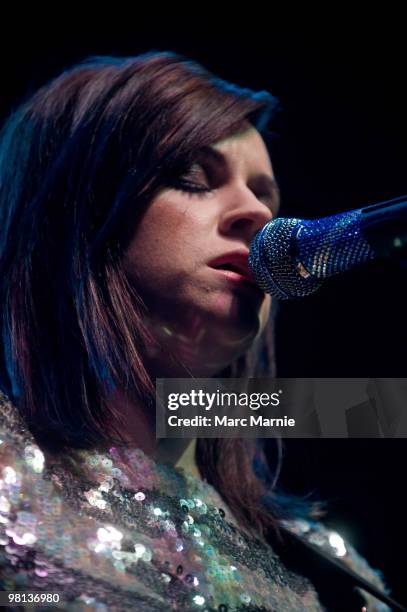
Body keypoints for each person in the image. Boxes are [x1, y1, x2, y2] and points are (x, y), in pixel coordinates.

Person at [0, 52, 392, 611]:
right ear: (72, 218)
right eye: (192, 177)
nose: (259, 215)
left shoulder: (331, 577)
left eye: (267, 195)